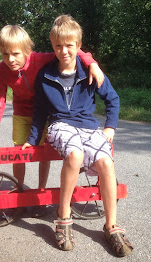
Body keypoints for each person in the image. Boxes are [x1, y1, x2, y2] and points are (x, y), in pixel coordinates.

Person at [22, 15, 133, 257]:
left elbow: (112, 99)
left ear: (78, 46)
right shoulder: (45, 76)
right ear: (53, 46)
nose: (64, 51)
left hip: (88, 126)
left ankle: (111, 226)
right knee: (74, 154)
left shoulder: (90, 72)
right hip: (60, 125)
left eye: (69, 45)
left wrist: (110, 127)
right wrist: (32, 140)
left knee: (106, 161)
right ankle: (63, 216)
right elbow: (40, 111)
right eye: (58, 46)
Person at [0, 25, 104, 217]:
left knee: (43, 152)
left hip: (45, 112)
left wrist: (91, 63)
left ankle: (41, 191)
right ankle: (18, 192)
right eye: (4, 54)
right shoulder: (1, 71)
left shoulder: (40, 59)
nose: (10, 60)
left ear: (27, 50)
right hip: (21, 113)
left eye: (15, 54)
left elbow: (70, 50)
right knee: (18, 152)